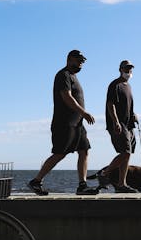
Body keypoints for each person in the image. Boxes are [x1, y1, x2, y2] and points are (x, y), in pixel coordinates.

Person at [28, 50, 99, 196]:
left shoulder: (74, 77)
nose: (81, 64)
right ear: (69, 59)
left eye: (82, 62)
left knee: (84, 151)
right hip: (64, 123)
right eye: (78, 61)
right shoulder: (63, 75)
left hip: (77, 124)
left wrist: (81, 117)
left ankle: (82, 185)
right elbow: (66, 97)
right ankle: (36, 181)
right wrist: (84, 113)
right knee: (59, 153)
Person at [98, 60, 139, 193]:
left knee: (127, 154)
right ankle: (104, 173)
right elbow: (111, 104)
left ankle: (122, 184)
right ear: (120, 69)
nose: (128, 71)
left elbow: (128, 106)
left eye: (130, 69)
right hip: (118, 124)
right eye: (126, 68)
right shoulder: (115, 84)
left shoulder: (129, 86)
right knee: (125, 152)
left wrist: (133, 115)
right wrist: (115, 121)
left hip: (128, 125)